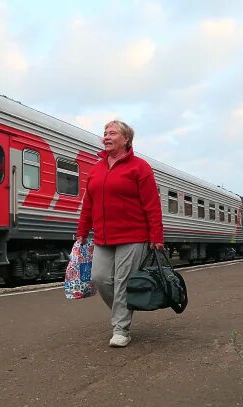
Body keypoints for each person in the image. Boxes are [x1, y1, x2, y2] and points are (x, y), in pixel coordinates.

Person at [76, 120, 164, 348]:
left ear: (126, 139)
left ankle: (121, 329)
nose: (106, 136)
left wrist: (156, 236)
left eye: (112, 133)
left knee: (123, 282)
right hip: (103, 236)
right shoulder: (96, 169)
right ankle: (124, 310)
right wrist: (82, 231)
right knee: (100, 278)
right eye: (104, 133)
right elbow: (89, 203)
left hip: (133, 235)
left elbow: (152, 204)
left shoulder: (139, 167)